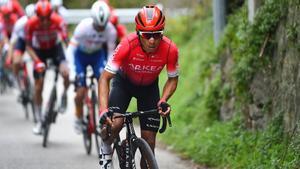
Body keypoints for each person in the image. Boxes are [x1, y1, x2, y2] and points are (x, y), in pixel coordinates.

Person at [98, 5, 179, 169]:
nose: (152, 40)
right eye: (147, 35)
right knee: (115, 124)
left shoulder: (170, 49)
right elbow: (105, 78)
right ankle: (106, 149)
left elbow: (172, 79)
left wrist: (163, 100)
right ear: (138, 33)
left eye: (157, 35)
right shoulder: (127, 44)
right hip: (124, 85)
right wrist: (102, 110)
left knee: (149, 144)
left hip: (149, 89)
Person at [66, 0, 116, 134]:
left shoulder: (110, 29)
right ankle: (78, 116)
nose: (101, 28)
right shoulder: (83, 27)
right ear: (93, 20)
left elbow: (111, 51)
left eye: (103, 25)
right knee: (81, 92)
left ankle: (103, 114)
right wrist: (72, 70)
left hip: (97, 56)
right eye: (98, 25)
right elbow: (71, 49)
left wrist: (109, 68)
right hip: (80, 57)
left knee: (104, 83)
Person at [25, 0, 69, 134]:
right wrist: (37, 61)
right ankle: (39, 119)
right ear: (36, 16)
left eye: (47, 18)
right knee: (39, 85)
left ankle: (63, 96)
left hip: (55, 49)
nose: (44, 22)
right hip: (39, 51)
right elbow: (28, 46)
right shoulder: (31, 23)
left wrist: (67, 61)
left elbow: (66, 41)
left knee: (66, 73)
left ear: (51, 15)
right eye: (41, 18)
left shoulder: (57, 20)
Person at [6, 3, 35, 97]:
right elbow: (13, 41)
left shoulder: (39, 22)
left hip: (33, 41)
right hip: (22, 41)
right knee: (16, 62)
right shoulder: (20, 23)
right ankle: (16, 80)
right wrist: (10, 57)